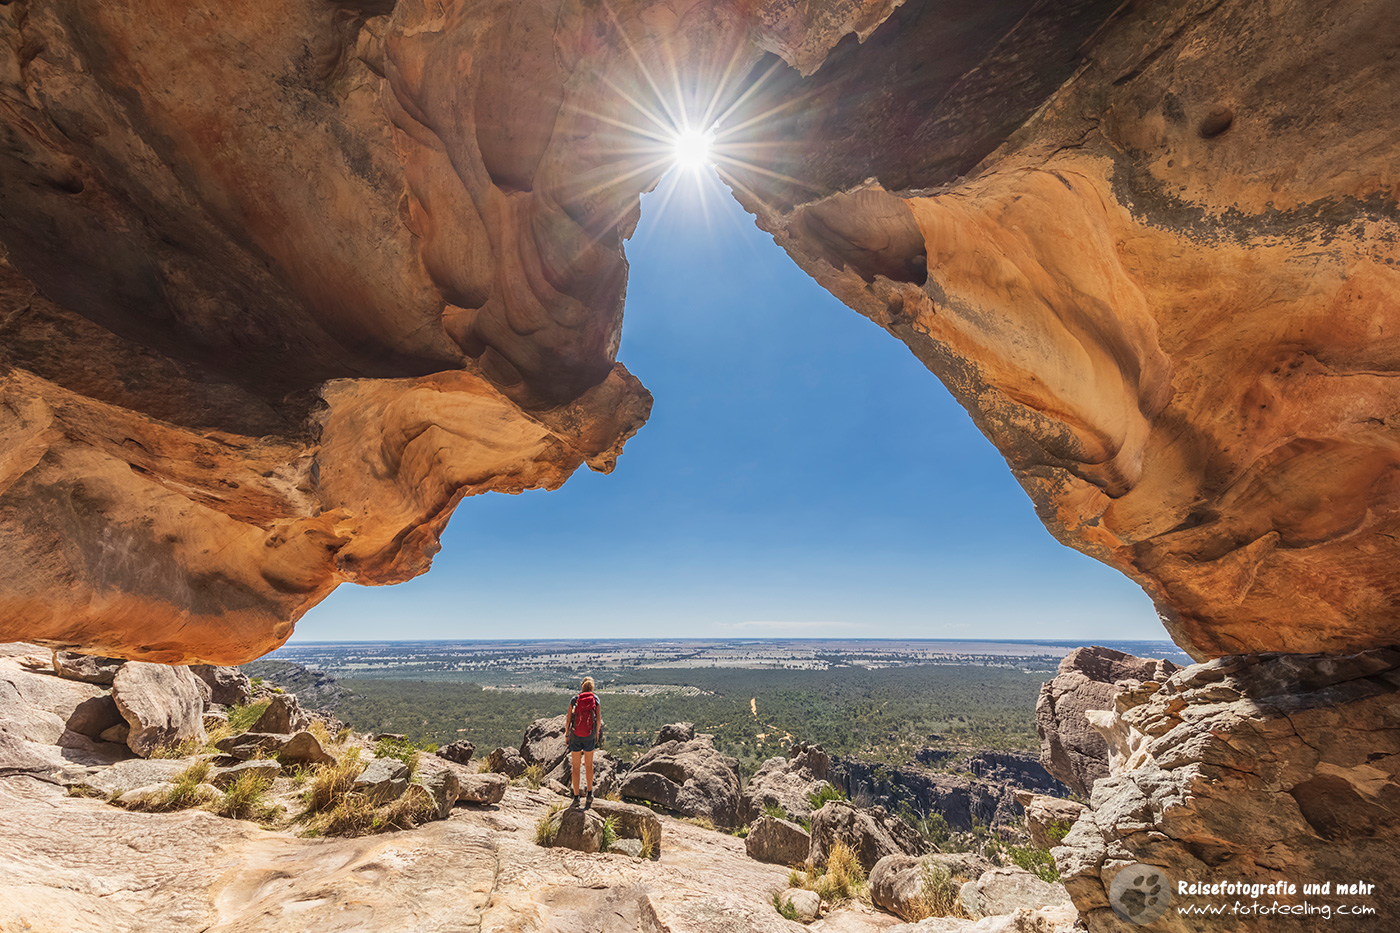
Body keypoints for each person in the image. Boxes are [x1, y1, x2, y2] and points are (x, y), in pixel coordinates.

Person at [566, 676, 602, 808]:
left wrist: (566, 734)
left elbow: (569, 718)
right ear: (592, 687)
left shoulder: (575, 699)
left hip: (575, 736)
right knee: (588, 765)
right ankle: (589, 793)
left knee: (575, 767)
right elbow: (598, 720)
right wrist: (596, 733)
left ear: (582, 686)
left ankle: (576, 797)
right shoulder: (595, 699)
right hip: (589, 736)